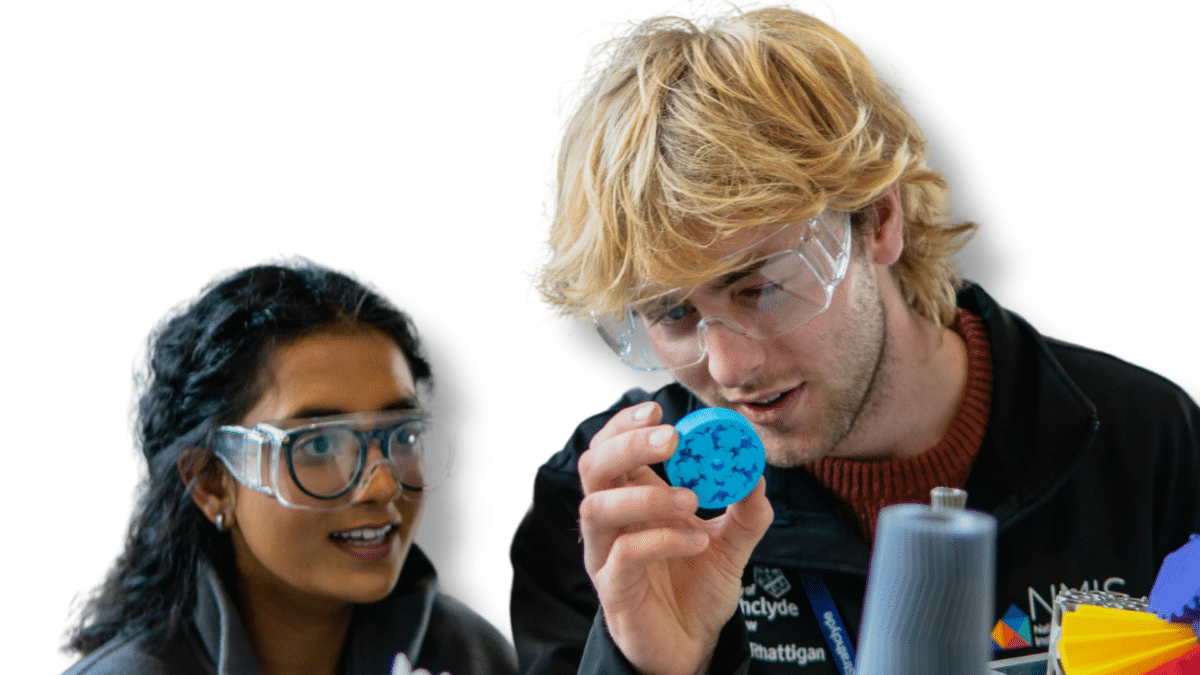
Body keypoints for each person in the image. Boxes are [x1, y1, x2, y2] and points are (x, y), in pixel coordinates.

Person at [510, 7, 1200, 675]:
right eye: (671, 314)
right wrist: (653, 670)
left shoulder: (1143, 444)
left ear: (878, 218)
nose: (728, 366)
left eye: (762, 287)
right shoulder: (614, 515)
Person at [63, 261, 518, 675]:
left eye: (406, 436)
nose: (382, 484)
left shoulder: (471, 656)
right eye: (319, 444)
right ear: (212, 483)